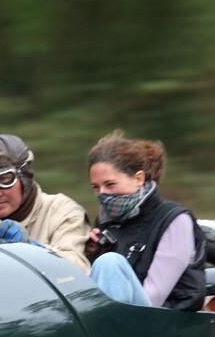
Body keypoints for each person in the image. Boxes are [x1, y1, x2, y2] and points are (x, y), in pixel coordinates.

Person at [84, 131, 206, 309]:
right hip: (119, 317)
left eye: (110, 184)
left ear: (138, 178)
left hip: (165, 322)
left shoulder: (174, 220)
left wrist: (106, 264)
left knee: (110, 263)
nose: (102, 194)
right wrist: (93, 254)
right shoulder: (106, 222)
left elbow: (153, 298)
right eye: (96, 187)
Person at [0, 133, 92, 273]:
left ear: (26, 178)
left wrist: (31, 249)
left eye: (4, 180)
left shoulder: (64, 214)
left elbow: (77, 272)